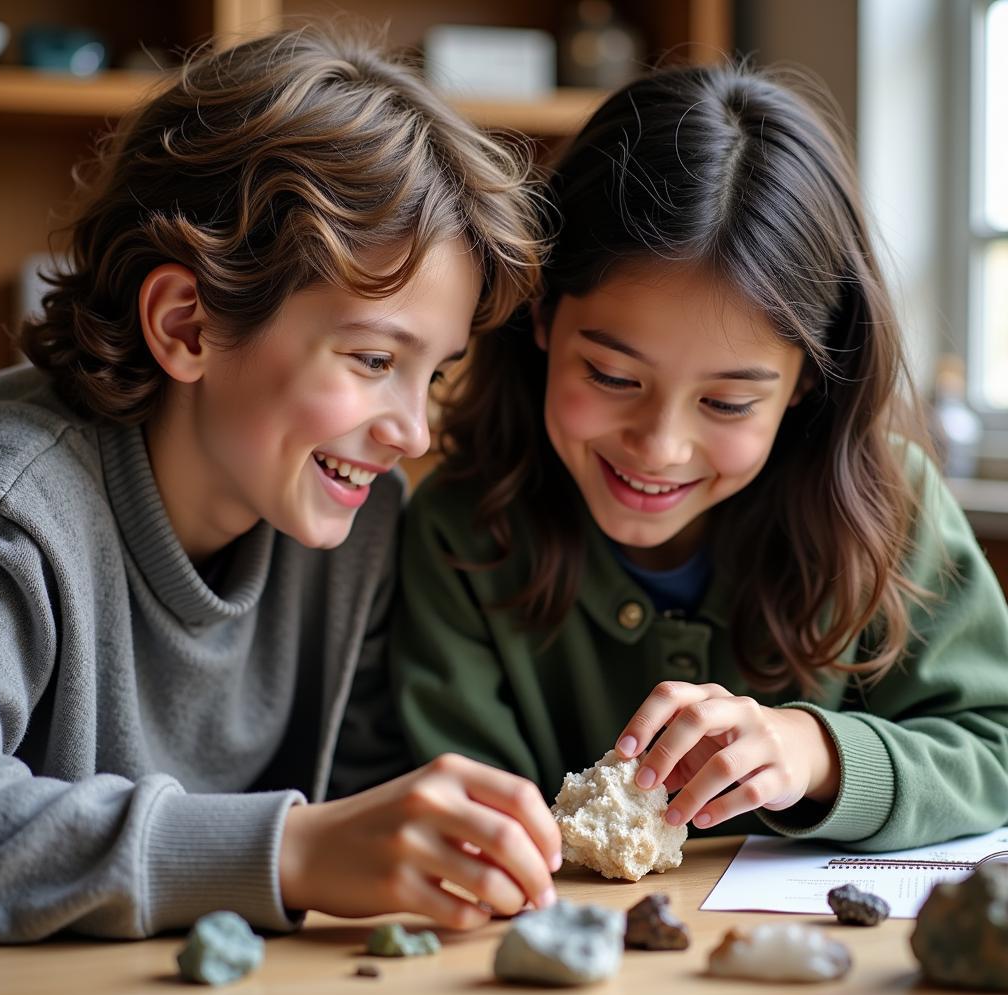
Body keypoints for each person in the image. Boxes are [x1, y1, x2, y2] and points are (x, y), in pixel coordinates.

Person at [0, 27, 562, 944]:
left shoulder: (357, 523)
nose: (412, 431)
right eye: (374, 359)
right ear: (187, 325)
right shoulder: (11, 508)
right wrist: (290, 851)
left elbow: (365, 798)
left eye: (436, 374)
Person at [393, 62, 1008, 851]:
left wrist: (819, 754)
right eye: (612, 376)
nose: (660, 446)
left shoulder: (895, 506)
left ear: (805, 382)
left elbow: (995, 744)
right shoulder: (461, 536)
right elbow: (460, 817)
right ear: (542, 317)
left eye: (727, 402)